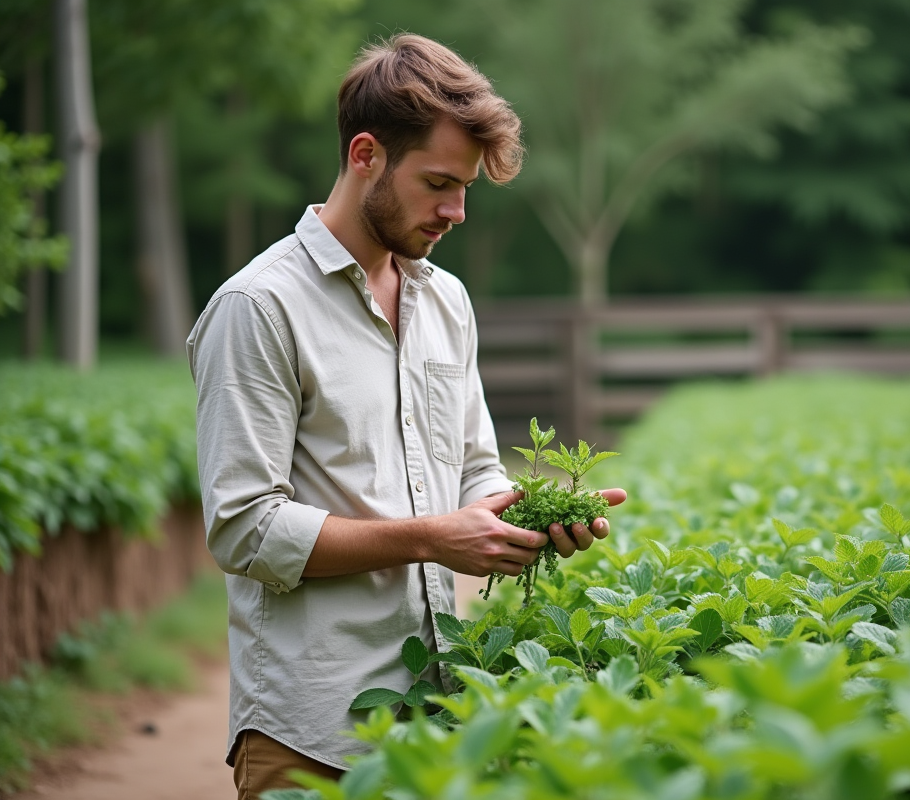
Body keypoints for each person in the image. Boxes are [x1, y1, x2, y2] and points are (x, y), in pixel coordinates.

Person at [186, 33, 626, 800]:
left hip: (438, 716)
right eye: (437, 184)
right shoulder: (258, 307)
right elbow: (243, 528)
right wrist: (430, 538)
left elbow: (472, 467)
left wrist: (523, 519)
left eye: (465, 190)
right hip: (308, 730)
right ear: (365, 155)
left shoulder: (445, 300)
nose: (455, 211)